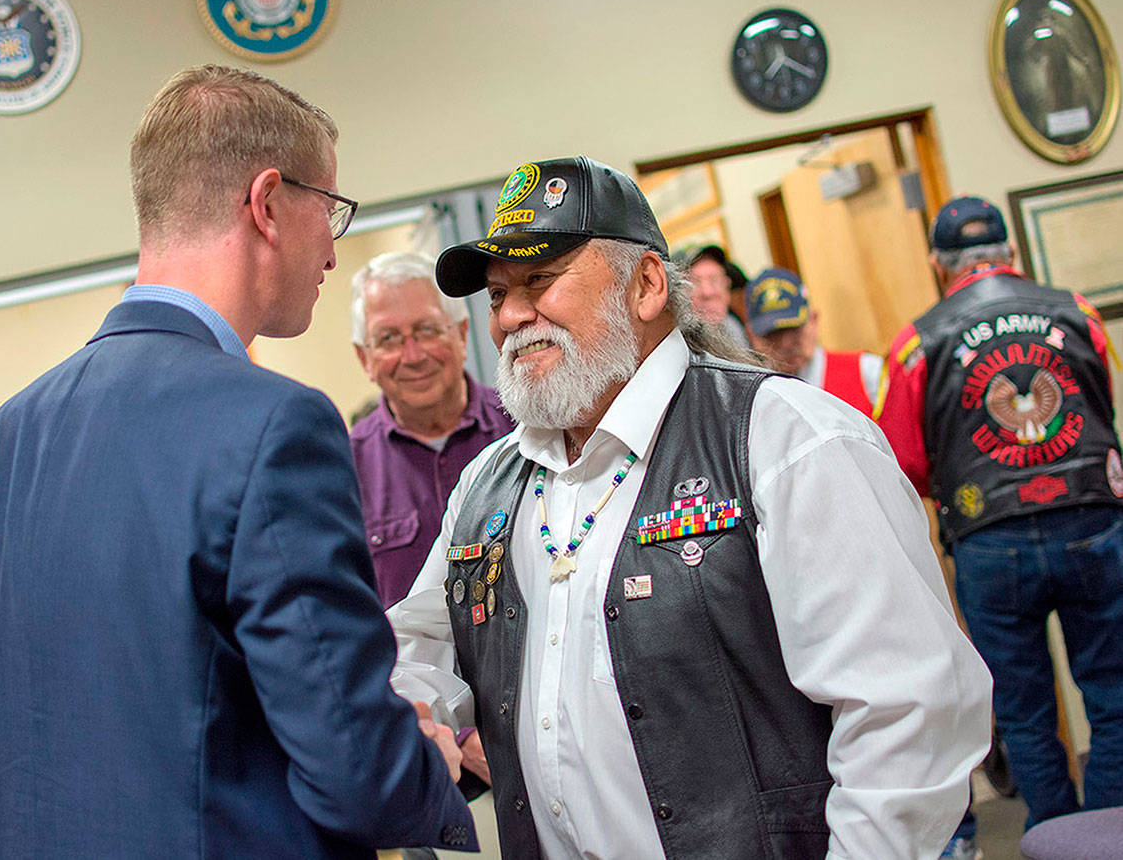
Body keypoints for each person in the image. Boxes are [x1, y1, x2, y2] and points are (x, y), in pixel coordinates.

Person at [0, 65, 475, 859]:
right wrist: (425, 766)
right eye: (330, 213)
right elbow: (356, 771)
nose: (333, 256)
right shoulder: (274, 425)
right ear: (268, 204)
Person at [388, 156, 992, 859]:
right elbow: (418, 646)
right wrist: (411, 704)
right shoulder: (488, 484)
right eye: (497, 295)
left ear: (645, 286)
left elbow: (909, 713)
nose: (512, 317)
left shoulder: (788, 439)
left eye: (540, 282)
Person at [875, 196, 1123, 846]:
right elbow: (1103, 405)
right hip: (1095, 524)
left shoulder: (915, 343)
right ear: (1009, 254)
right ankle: (1109, 837)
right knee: (1115, 692)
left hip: (989, 543)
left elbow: (904, 460)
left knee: (1023, 709)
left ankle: (1055, 839)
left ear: (938, 264)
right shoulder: (1080, 313)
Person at [350, 250, 514, 611]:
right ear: (365, 358)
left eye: (426, 330)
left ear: (461, 334)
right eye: (389, 338)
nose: (412, 355)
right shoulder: (343, 469)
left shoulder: (527, 429)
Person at [744, 266, 883, 415]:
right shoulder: (753, 402)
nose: (786, 343)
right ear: (752, 336)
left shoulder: (866, 372)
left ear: (813, 320)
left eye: (794, 330)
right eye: (773, 336)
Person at [685, 244, 751, 348]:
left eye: (714, 280)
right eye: (696, 282)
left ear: (727, 286)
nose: (708, 292)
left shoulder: (738, 329)